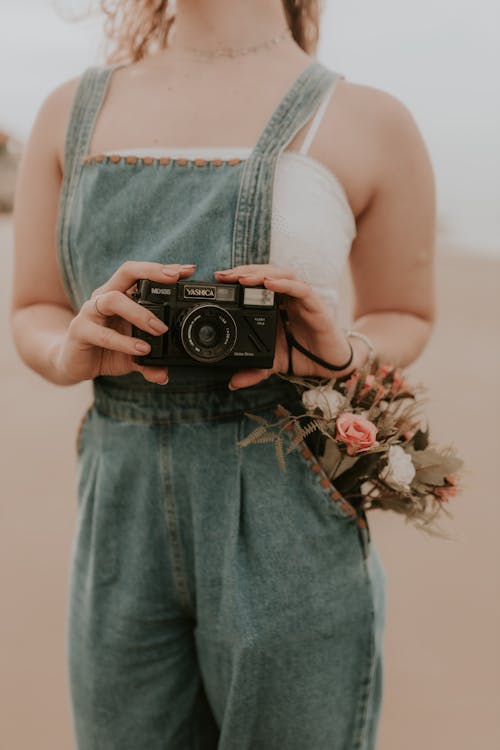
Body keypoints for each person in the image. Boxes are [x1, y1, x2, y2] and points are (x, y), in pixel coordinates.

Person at [10, 1, 436, 748]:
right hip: (118, 500)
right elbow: (35, 307)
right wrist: (65, 350)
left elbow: (406, 312)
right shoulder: (68, 111)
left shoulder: (368, 119)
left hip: (288, 497)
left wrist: (337, 354)